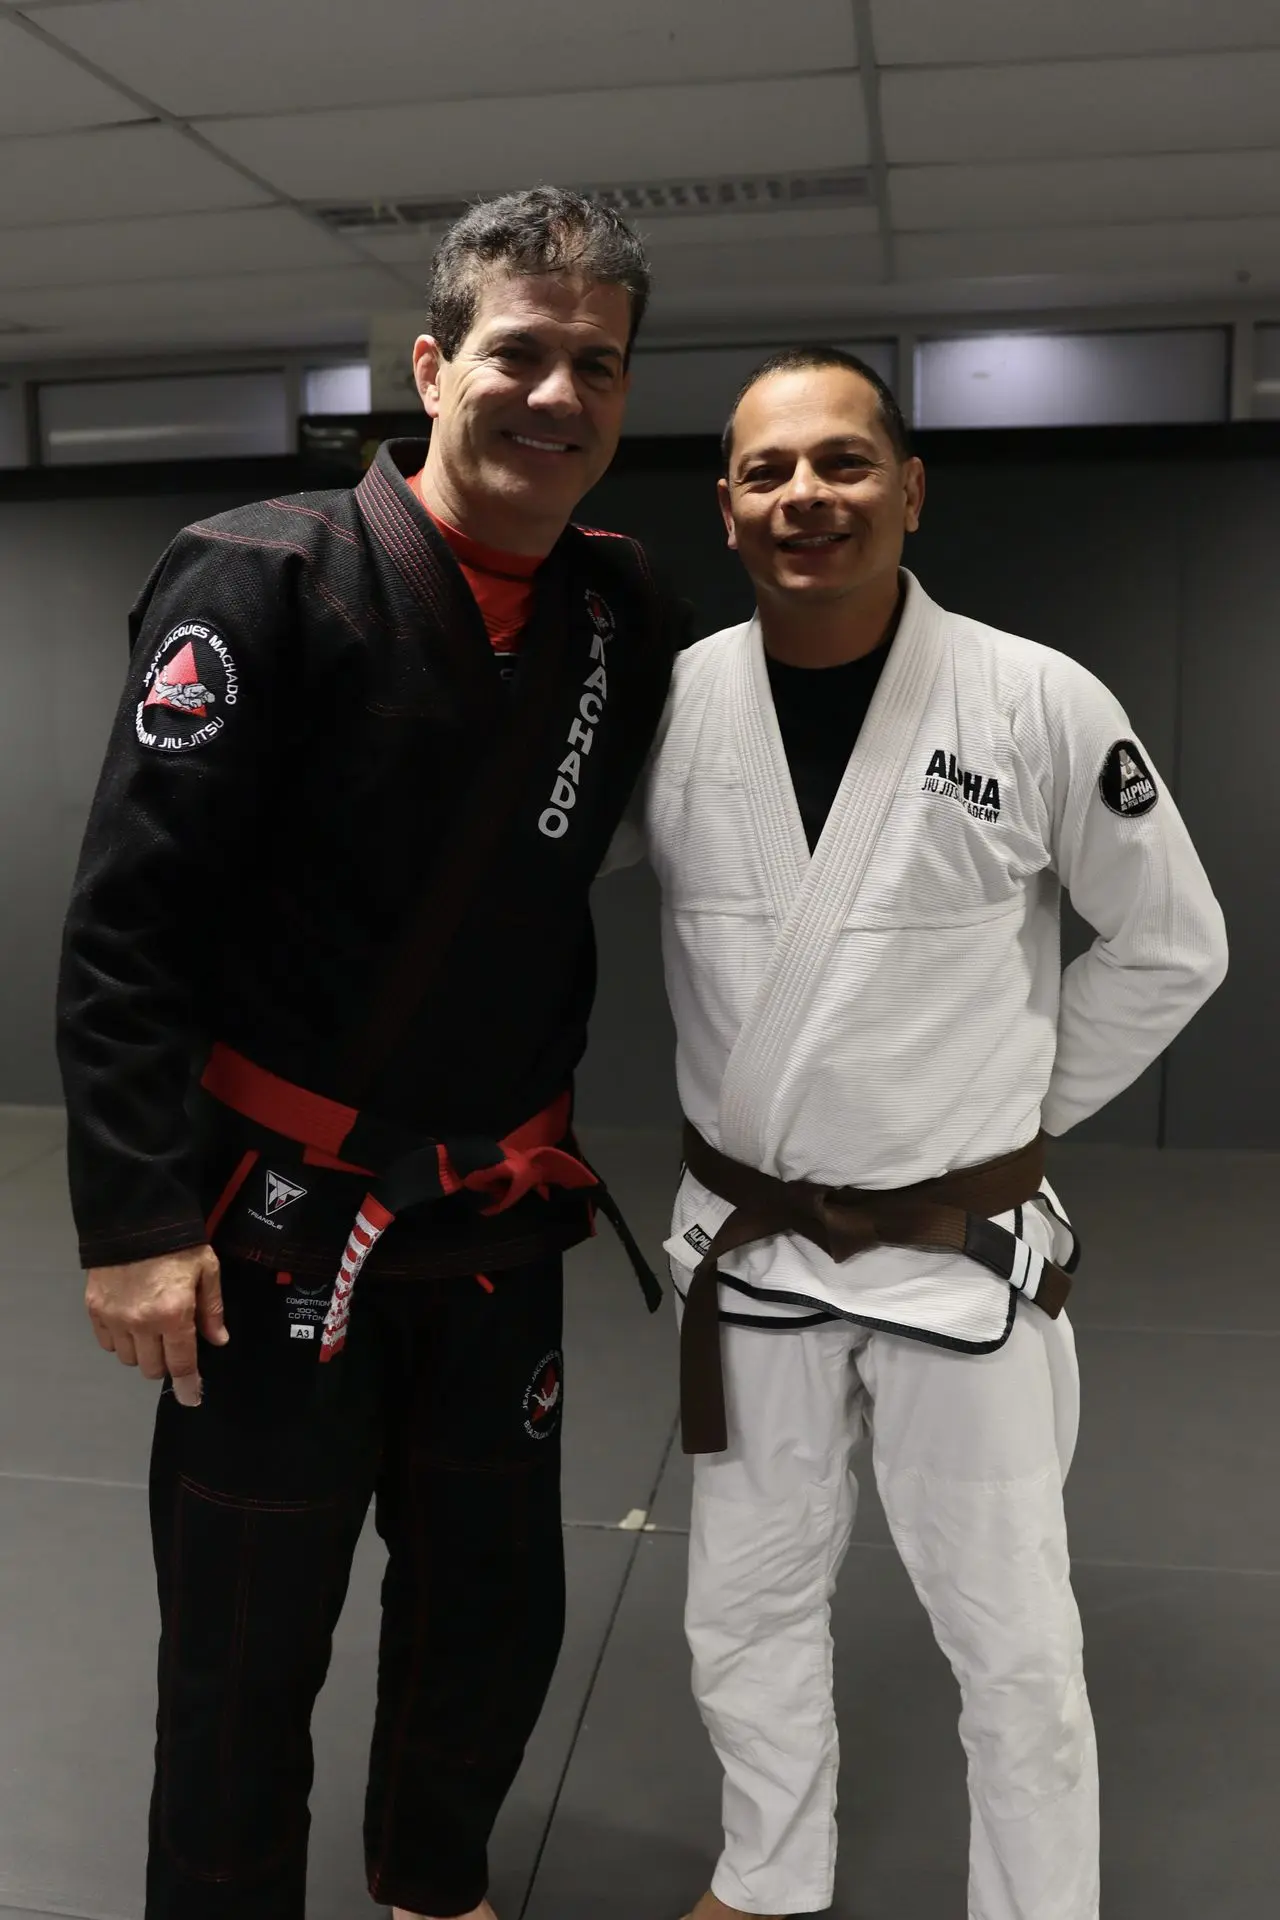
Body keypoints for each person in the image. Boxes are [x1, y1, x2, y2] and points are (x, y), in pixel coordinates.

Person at [55, 188, 685, 1920]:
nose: (557, 394)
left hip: (494, 1213)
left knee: (494, 1612)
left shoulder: (622, 612)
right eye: (520, 353)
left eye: (598, 366)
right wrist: (133, 1221)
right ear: (433, 364)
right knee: (248, 1644)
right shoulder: (259, 580)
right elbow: (131, 924)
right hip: (273, 1221)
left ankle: (433, 1883)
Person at [635, 347, 1228, 1920]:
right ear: (726, 507)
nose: (804, 497)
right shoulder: (674, 700)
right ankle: (766, 1878)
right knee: (740, 1606)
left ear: (910, 486)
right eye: (767, 472)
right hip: (753, 1248)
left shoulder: (1034, 697)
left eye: (841, 463)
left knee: (1012, 1636)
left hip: (956, 1259)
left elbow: (1175, 942)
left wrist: (1008, 1118)